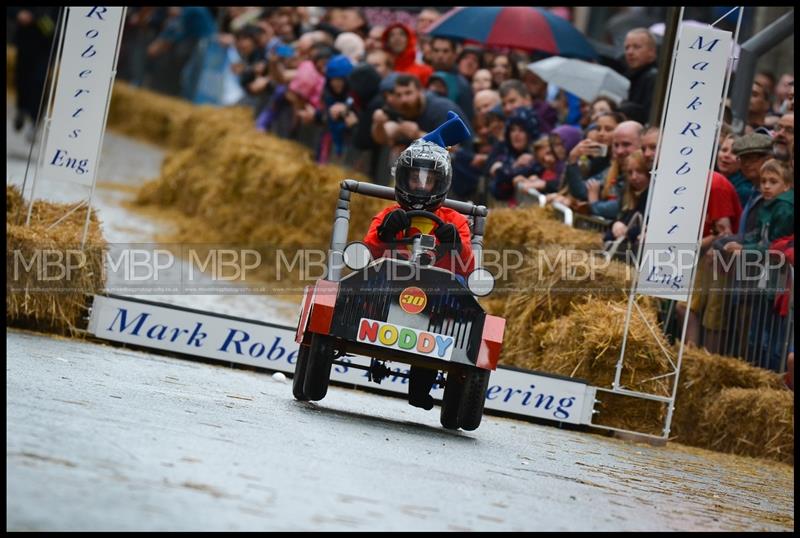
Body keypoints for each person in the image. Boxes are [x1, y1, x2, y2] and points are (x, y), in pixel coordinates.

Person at [362, 112, 475, 410]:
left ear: (442, 182)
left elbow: (468, 269)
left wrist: (455, 246)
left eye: (429, 180)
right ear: (403, 179)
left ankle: (422, 384)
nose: (422, 186)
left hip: (434, 300)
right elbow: (366, 254)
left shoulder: (455, 220)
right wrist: (386, 233)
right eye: (415, 178)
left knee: (455, 300)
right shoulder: (389, 214)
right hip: (386, 291)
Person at [619, 28, 658, 124]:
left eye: (636, 47)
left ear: (652, 52)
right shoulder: (627, 76)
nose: (629, 52)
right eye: (627, 48)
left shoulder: (654, 78)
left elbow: (648, 115)